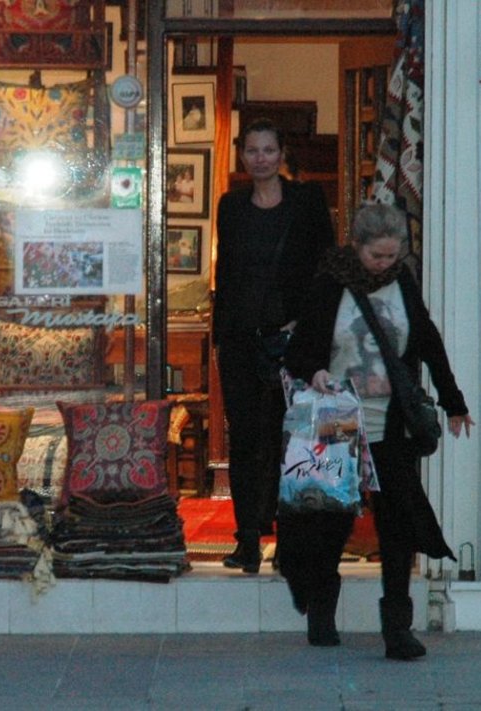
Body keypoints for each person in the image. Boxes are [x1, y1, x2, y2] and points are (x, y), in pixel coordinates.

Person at [279, 202, 475, 657]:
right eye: (377, 256)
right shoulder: (331, 282)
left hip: (390, 422)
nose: (385, 264)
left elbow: (427, 340)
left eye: (393, 256)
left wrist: (453, 402)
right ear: (357, 246)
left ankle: (397, 629)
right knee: (329, 523)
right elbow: (299, 351)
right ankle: (321, 613)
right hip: (336, 421)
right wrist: (316, 372)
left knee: (398, 526)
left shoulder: (402, 282)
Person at [213, 118, 335, 574]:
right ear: (241, 156)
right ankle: (247, 540)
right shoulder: (231, 206)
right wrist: (222, 335)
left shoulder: (306, 201)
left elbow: (326, 265)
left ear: (282, 153)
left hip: (293, 341)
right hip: (241, 340)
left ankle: (290, 543)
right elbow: (226, 273)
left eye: (268, 150)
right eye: (252, 150)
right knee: (245, 441)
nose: (260, 158)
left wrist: (308, 324)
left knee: (293, 440)